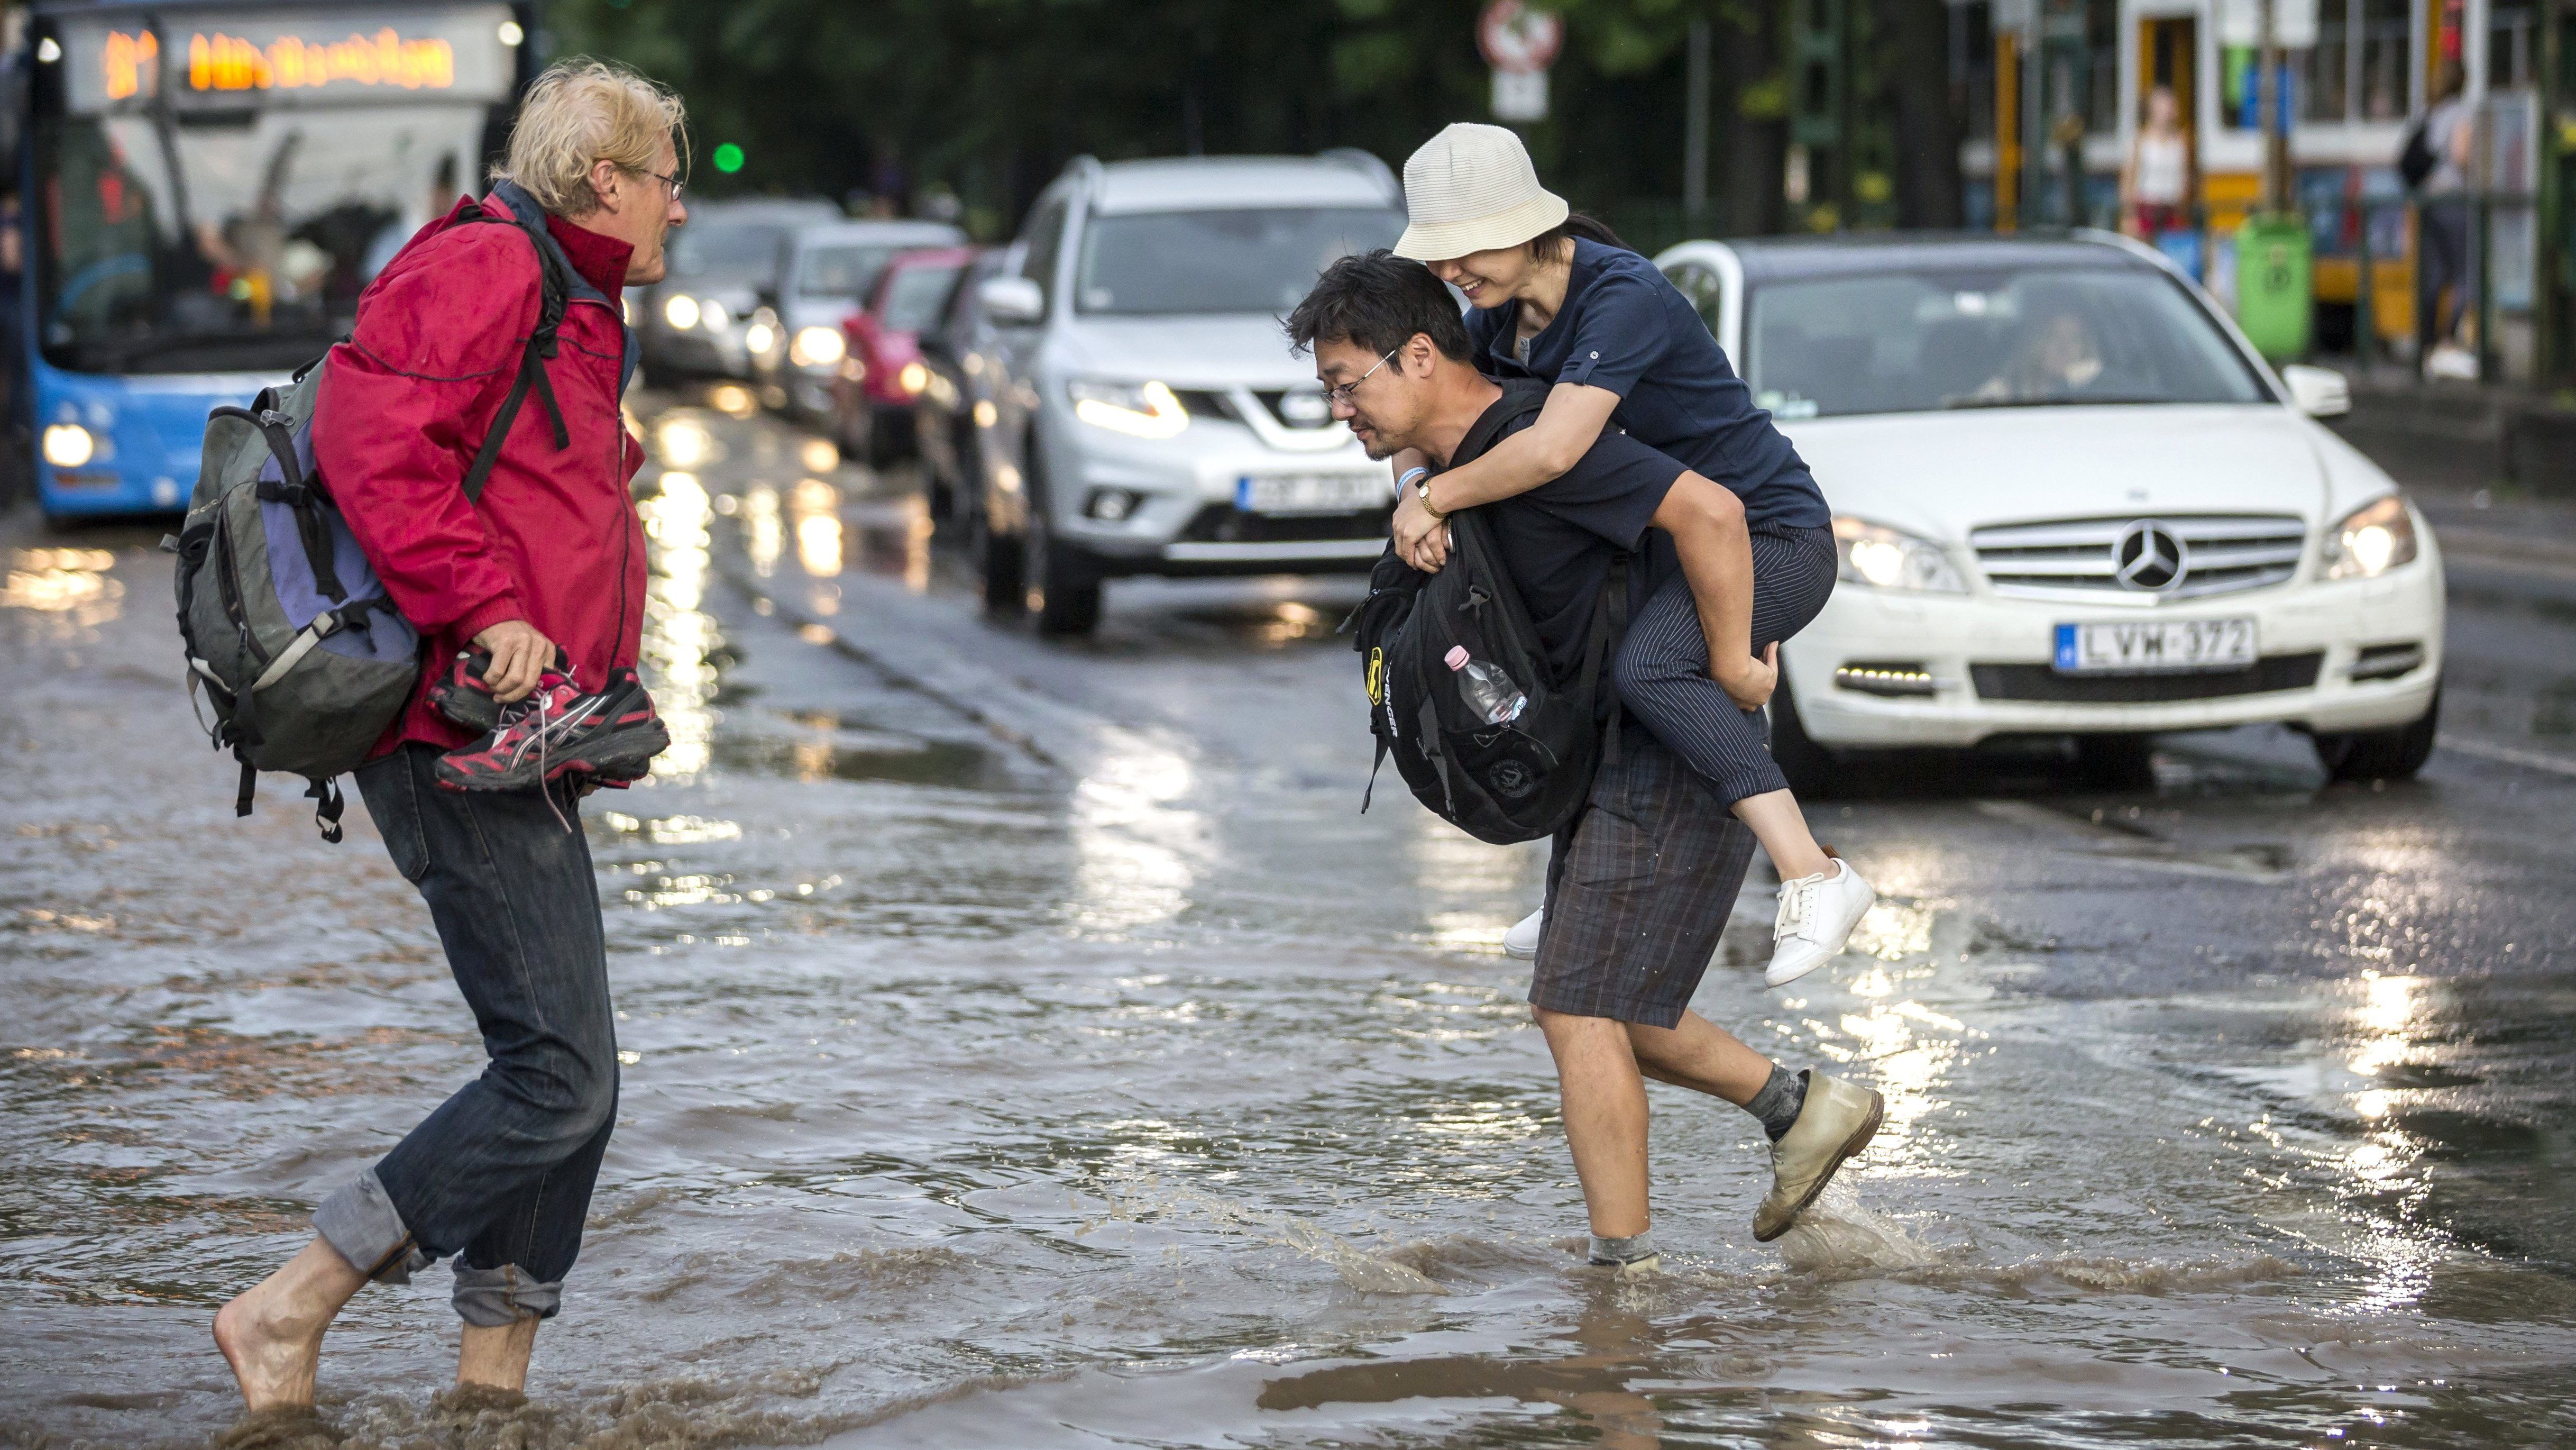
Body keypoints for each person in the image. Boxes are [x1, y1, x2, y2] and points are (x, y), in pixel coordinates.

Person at [211, 59, 686, 1418]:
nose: (677, 206)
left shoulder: (576, 297)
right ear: (605, 176)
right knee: (557, 1077)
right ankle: (288, 1305)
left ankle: (489, 1393)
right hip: (446, 725)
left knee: (570, 1078)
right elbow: (370, 434)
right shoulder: (489, 266)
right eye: (665, 178)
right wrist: (485, 604)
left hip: (531, 735)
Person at [1291, 251, 1884, 1266]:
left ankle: (1623, 1286)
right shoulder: (1464, 454)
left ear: (1422, 357)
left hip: (1673, 748)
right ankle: (1802, 1111)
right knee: (1602, 999)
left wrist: (1739, 653)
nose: (1340, 408)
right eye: (1329, 389)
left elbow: (1711, 512)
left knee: (1576, 1006)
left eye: (1350, 384)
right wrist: (1419, 494)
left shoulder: (1539, 443)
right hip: (1610, 747)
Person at [1382, 123, 1872, 987]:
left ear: (1526, 225)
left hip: (1770, 538)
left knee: (1649, 667)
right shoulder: (1497, 321)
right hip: (1670, 550)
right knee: (1588, 666)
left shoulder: (1624, 295)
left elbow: (1552, 450)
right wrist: (1412, 482)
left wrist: (1437, 497)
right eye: (1440, 255)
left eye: (1466, 250)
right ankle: (1570, 890)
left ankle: (1816, 875)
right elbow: (1433, 408)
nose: (1453, 271)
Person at [2412, 61, 2479, 380]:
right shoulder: (2461, 114)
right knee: (2466, 269)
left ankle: (2424, 349)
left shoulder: (2431, 113)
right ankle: (2446, 341)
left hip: (2429, 199)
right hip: (2454, 200)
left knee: (2434, 274)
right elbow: (2462, 155)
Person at [2121, 86, 2194, 240]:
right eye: (2163, 106)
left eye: (2170, 105)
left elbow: (2185, 177)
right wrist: (2128, 216)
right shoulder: (2139, 140)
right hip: (2146, 209)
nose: (2168, 111)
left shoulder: (2180, 141)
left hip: (2172, 209)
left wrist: (2184, 208)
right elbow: (2128, 180)